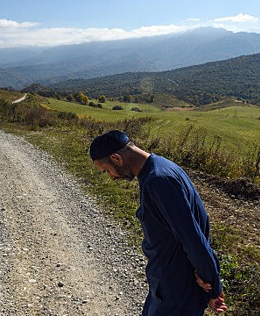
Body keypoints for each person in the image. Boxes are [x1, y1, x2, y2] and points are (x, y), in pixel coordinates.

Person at [90, 130, 227, 315]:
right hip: (166, 284)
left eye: (107, 170)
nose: (111, 177)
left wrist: (213, 287)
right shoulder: (160, 166)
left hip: (176, 291)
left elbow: (193, 238)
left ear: (116, 158)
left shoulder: (159, 181)